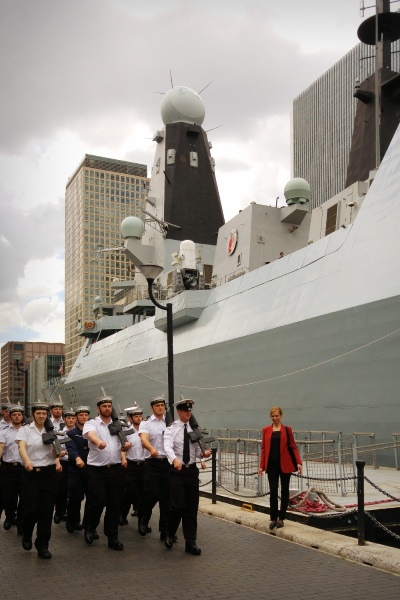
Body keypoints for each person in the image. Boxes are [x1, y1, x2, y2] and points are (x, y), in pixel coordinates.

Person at [82, 394, 131, 551]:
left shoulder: (118, 425)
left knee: (115, 503)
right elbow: (91, 436)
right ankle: (91, 527)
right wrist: (98, 442)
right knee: (97, 501)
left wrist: (125, 447)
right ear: (98, 408)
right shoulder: (92, 423)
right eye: (104, 406)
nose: (107, 409)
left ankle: (112, 537)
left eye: (109, 406)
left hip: (115, 468)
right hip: (97, 469)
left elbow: (123, 444)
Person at [15, 401, 63, 559]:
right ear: (33, 414)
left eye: (44, 413)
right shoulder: (25, 430)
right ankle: (27, 533)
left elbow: (57, 451)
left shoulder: (52, 431)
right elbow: (21, 447)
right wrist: (27, 460)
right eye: (38, 413)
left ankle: (42, 544)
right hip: (30, 473)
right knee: (31, 509)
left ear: (47, 415)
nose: (41, 416)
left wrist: (59, 456)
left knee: (47, 510)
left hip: (48, 473)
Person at [163, 395, 210, 555]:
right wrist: (174, 460)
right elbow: (167, 448)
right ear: (178, 411)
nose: (188, 413)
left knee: (191, 508)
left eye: (189, 410)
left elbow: (197, 451)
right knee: (177, 506)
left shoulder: (194, 429)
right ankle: (170, 532)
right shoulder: (171, 429)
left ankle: (191, 542)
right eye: (185, 410)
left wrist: (204, 454)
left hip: (191, 471)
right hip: (177, 472)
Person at [258, 406, 302, 530]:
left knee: (284, 491)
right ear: (270, 417)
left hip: (285, 464)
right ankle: (273, 518)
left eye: (277, 415)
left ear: (281, 416)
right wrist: (261, 466)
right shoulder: (266, 430)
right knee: (273, 491)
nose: (275, 418)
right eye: (273, 416)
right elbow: (264, 449)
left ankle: (281, 519)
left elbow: (293, 447)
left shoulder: (287, 430)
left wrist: (299, 462)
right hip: (271, 465)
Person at [138, 394, 170, 539]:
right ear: (152, 408)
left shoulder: (170, 422)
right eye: (157, 406)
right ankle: (143, 517)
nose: (160, 408)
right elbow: (143, 439)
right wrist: (151, 449)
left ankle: (165, 530)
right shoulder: (146, 423)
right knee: (152, 494)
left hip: (167, 464)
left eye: (162, 405)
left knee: (166, 498)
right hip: (151, 463)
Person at [120, 403, 147, 530]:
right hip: (130, 465)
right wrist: (124, 458)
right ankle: (123, 514)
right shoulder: (126, 430)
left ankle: (142, 523)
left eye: (140, 415)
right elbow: (122, 446)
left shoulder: (146, 430)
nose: (138, 418)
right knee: (129, 492)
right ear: (130, 418)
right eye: (135, 416)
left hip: (144, 465)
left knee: (143, 495)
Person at [65, 405, 91, 533]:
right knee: (75, 498)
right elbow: (71, 449)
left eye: (86, 415)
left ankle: (89, 526)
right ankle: (72, 521)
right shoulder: (71, 433)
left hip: (91, 470)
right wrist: (77, 458)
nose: (84, 417)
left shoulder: (92, 432)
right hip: (76, 470)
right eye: (81, 415)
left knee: (92, 499)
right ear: (76, 418)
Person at [0, 405, 24, 532]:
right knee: (9, 497)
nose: (16, 417)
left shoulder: (27, 431)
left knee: (24, 497)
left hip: (24, 469)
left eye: (19, 415)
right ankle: (9, 517)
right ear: (10, 415)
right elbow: (1, 447)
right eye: (14, 415)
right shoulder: (4, 432)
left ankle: (20, 522)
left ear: (22, 416)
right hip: (9, 469)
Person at [53, 408, 76, 524]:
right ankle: (59, 512)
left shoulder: (79, 433)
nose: (71, 420)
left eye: (73, 418)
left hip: (75, 463)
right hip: (63, 463)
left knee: (72, 491)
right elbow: (57, 450)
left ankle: (69, 515)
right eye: (68, 418)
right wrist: (57, 462)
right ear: (65, 420)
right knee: (61, 490)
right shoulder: (59, 433)